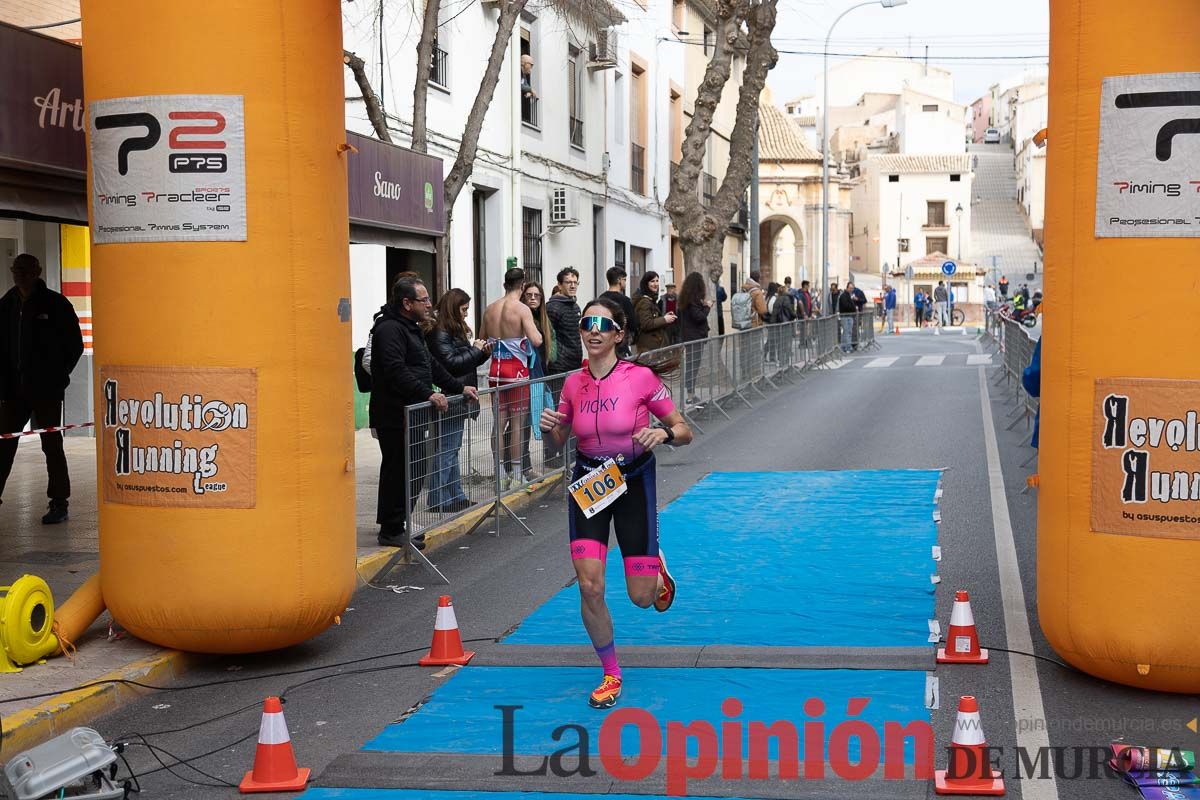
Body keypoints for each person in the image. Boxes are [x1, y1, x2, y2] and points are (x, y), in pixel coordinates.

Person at [538, 297, 693, 709]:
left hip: (634, 481)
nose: (592, 330)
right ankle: (611, 672)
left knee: (642, 598)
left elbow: (683, 429)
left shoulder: (640, 378)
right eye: (587, 323)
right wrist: (550, 427)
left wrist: (662, 434)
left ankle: (654, 566)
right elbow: (560, 440)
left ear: (618, 335)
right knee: (589, 584)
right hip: (590, 482)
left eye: (601, 325)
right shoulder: (573, 383)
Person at [371, 276, 478, 548]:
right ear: (407, 303)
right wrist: (428, 394)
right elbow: (397, 371)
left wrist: (458, 387)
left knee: (413, 469)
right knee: (398, 470)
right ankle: (391, 527)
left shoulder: (411, 328)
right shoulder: (389, 329)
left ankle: (400, 522)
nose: (430, 304)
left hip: (413, 413)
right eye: (424, 300)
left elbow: (430, 365)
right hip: (395, 414)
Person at [0, 254, 84, 524]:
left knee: (51, 445)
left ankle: (59, 502)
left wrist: (57, 377)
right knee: (3, 445)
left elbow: (74, 345)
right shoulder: (7, 304)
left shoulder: (56, 304)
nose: (20, 275)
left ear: (37, 271)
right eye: (16, 270)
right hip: (13, 391)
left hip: (46, 390)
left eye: (25, 270)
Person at [426, 289, 492, 513]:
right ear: (453, 309)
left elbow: (464, 362)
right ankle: (439, 498)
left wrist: (483, 353)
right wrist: (475, 350)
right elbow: (452, 363)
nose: (466, 314)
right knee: (447, 448)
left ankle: (455, 495)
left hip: (460, 396)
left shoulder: (453, 330)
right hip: (451, 395)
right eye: (463, 309)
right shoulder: (440, 332)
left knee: (453, 448)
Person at [481, 267, 544, 489]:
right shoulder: (521, 309)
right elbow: (537, 340)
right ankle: (516, 475)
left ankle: (500, 476)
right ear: (523, 284)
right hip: (516, 372)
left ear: (504, 283)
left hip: (496, 371)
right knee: (517, 425)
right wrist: (530, 333)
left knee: (498, 426)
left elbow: (481, 341)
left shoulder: (490, 309)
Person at [544, 267, 582, 466]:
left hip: (574, 366)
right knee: (558, 412)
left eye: (575, 282)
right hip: (559, 369)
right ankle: (551, 456)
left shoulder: (573, 306)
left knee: (570, 411)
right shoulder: (553, 307)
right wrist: (555, 360)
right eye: (569, 282)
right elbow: (549, 338)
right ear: (560, 285)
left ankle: (570, 454)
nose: (573, 285)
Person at [519, 280, 555, 477]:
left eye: (537, 296)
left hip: (540, 377)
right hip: (524, 378)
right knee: (520, 425)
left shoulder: (543, 320)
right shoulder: (520, 318)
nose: (533, 298)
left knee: (533, 422)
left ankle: (524, 466)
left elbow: (550, 347)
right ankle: (520, 467)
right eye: (529, 295)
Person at [678, 272, 711, 404]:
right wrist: (708, 306)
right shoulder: (692, 300)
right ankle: (690, 396)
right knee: (693, 366)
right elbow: (699, 317)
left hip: (690, 336)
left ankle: (690, 394)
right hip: (694, 337)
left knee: (692, 365)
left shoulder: (687, 299)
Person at [634, 271, 676, 353]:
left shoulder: (651, 299)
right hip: (648, 347)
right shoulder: (645, 302)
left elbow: (652, 318)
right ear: (646, 283)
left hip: (654, 346)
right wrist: (664, 319)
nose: (655, 284)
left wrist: (664, 317)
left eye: (657, 281)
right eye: (652, 281)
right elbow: (646, 324)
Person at [599, 267, 637, 357]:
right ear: (619, 280)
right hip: (621, 345)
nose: (625, 282)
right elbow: (633, 324)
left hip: (604, 342)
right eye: (624, 279)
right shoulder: (625, 300)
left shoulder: (601, 298)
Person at [836, 281, 857, 352]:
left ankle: (844, 346)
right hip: (845, 316)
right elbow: (846, 306)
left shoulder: (848, 295)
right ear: (847, 287)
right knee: (847, 332)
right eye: (850, 288)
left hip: (848, 316)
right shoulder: (844, 296)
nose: (851, 290)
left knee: (847, 332)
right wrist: (853, 308)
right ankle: (848, 347)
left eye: (852, 288)